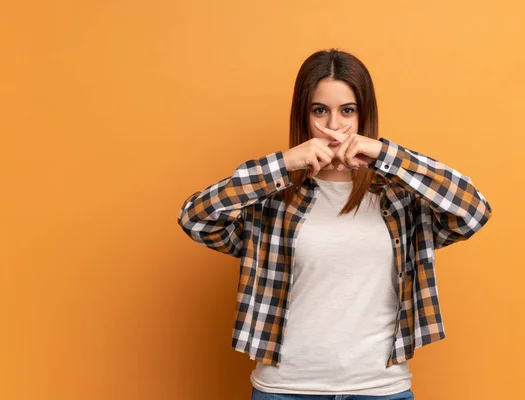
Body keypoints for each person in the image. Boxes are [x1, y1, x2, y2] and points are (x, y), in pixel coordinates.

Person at [177, 48, 493, 400]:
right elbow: (196, 218)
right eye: (319, 111)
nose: (333, 126)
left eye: (348, 111)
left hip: (381, 389)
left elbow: (473, 210)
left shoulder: (398, 198)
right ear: (303, 116)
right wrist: (282, 164)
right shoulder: (272, 201)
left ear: (364, 115)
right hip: (286, 389)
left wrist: (385, 156)